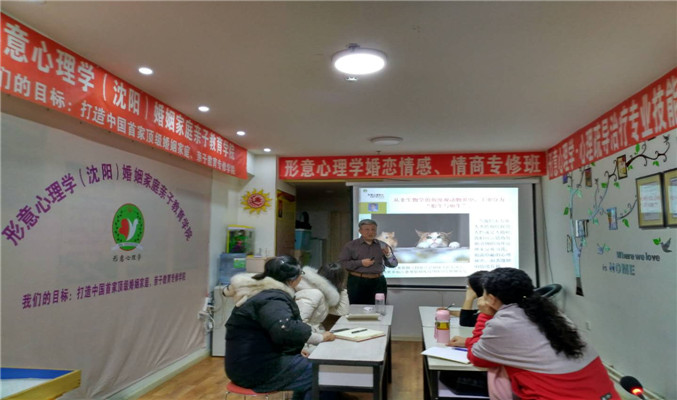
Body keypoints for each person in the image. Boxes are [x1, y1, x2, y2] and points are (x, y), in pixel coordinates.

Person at [463, 268, 620, 400]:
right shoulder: (550, 312)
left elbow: (476, 357)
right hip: (604, 393)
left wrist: (485, 315)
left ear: (491, 299)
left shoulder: (504, 323)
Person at [224, 256, 335, 400]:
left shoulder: (262, 293)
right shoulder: (272, 299)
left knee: (312, 370)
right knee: (323, 373)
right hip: (256, 369)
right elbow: (285, 328)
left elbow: (271, 331)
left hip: (245, 363)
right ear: (293, 279)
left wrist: (294, 350)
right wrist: (320, 337)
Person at [338, 219, 398, 304]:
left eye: (373, 229)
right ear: (360, 231)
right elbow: (342, 263)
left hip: (378, 282)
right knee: (356, 308)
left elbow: (394, 264)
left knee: (379, 308)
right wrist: (361, 263)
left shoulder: (383, 245)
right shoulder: (351, 245)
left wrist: (389, 255)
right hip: (357, 281)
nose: (370, 232)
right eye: (367, 229)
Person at [294, 262, 350, 350]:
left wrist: (342, 289)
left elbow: (342, 311)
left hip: (316, 335)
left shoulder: (324, 292)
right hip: (306, 342)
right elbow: (299, 324)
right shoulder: (314, 293)